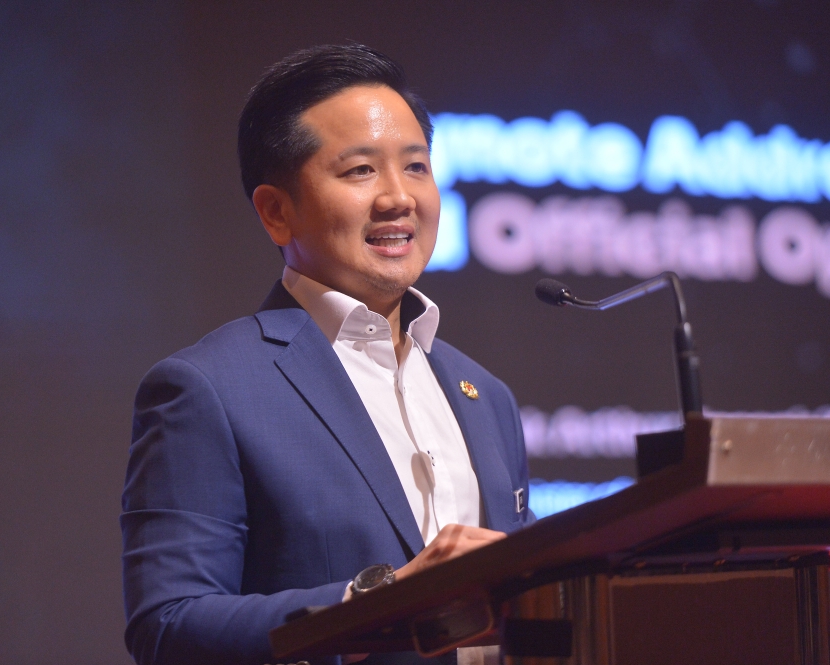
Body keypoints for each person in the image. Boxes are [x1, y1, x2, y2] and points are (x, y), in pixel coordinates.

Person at [121, 44, 534, 665]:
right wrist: (383, 599)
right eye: (360, 171)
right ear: (276, 212)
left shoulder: (486, 396)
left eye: (416, 167)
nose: (399, 198)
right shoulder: (207, 390)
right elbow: (168, 626)